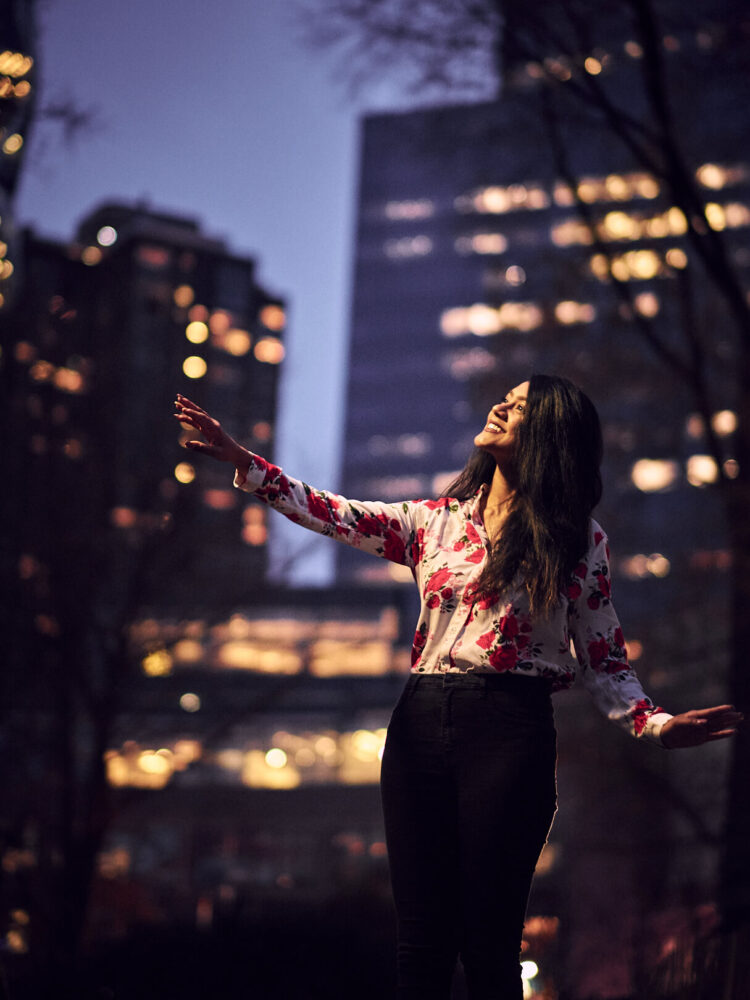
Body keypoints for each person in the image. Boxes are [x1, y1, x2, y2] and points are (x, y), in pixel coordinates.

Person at [173, 376, 741, 1000]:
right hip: (419, 722)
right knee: (420, 945)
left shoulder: (577, 539)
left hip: (509, 731)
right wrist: (243, 462)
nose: (502, 405)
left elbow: (604, 658)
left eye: (521, 407)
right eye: (506, 397)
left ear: (549, 435)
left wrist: (657, 724)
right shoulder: (435, 523)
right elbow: (334, 513)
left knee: (489, 947)